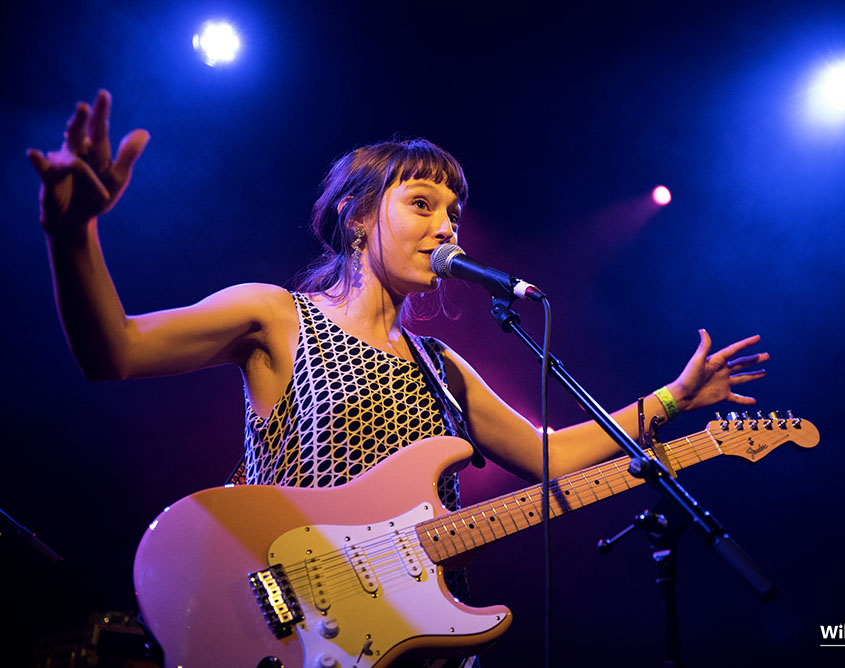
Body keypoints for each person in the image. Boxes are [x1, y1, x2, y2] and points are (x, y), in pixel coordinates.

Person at [28, 90, 768, 667]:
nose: (448, 227)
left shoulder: (442, 367)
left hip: (422, 646)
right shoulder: (277, 316)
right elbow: (114, 351)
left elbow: (550, 455)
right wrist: (73, 234)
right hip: (301, 631)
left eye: (454, 212)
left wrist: (674, 398)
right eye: (422, 204)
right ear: (355, 218)